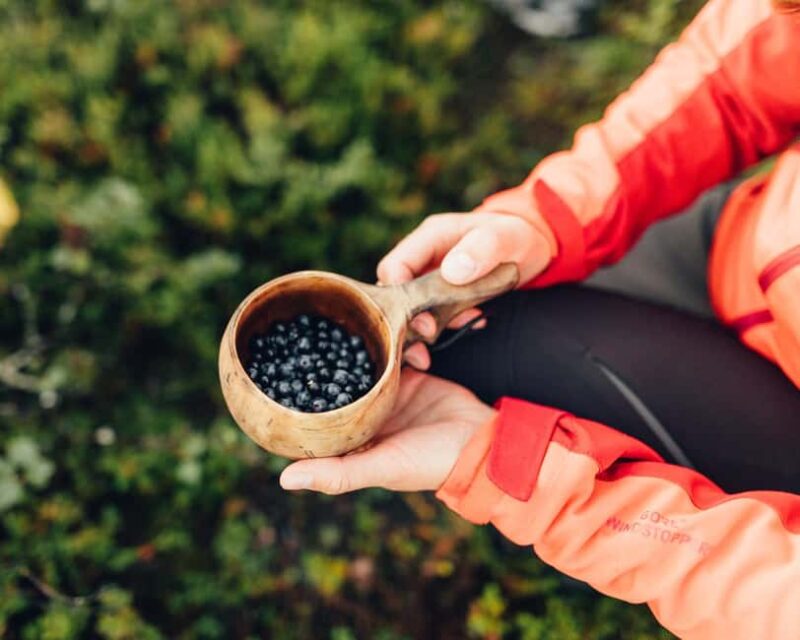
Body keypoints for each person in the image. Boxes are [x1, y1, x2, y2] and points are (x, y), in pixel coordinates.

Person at [280, 1, 800, 637]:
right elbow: (747, 68)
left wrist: (511, 474)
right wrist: (551, 220)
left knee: (476, 359)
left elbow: (764, 593)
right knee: (465, 321)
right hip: (746, 241)